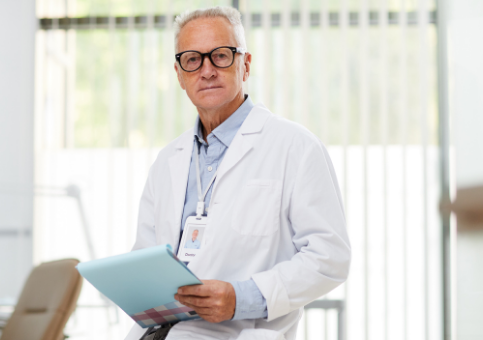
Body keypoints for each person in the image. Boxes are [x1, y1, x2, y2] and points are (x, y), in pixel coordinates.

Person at [125, 6, 350, 340]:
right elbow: (145, 258)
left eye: (220, 55)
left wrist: (240, 299)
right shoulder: (166, 162)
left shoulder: (295, 147)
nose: (207, 70)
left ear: (245, 64)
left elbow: (329, 257)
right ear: (179, 73)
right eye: (192, 59)